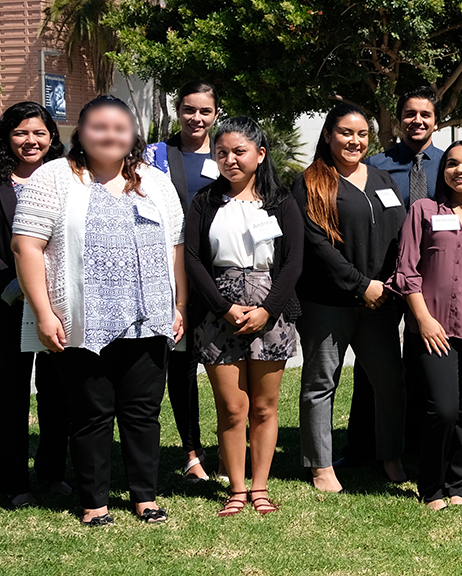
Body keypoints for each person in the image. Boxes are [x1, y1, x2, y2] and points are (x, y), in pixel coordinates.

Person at [13, 95, 183, 526]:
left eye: (120, 127)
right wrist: (45, 313)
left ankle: (145, 496)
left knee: (143, 413)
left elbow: (176, 247)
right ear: (81, 134)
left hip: (148, 319)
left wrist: (178, 304)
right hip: (83, 321)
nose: (110, 135)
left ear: (133, 135)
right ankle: (95, 502)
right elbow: (26, 247)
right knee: (91, 415)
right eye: (99, 127)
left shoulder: (155, 180)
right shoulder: (53, 178)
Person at [184, 117, 304, 517]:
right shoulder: (204, 201)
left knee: (265, 408)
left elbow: (293, 263)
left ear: (260, 154)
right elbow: (194, 259)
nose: (230, 160)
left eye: (239, 151)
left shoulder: (282, 202)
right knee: (233, 409)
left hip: (272, 309)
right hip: (221, 311)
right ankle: (236, 488)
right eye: (222, 153)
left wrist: (268, 309)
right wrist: (224, 306)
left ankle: (260, 487)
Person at [294, 104, 408, 493]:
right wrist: (361, 285)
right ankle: (320, 465)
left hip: (381, 303)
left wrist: (390, 284)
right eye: (345, 132)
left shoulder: (382, 179)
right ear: (328, 135)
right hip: (328, 304)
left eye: (361, 134)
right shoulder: (310, 182)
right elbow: (317, 246)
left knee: (390, 383)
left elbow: (401, 235)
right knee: (321, 383)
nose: (353, 141)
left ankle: (390, 454)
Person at [0, 101, 70, 508]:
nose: (32, 141)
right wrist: (21, 288)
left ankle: (52, 473)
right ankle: (13, 483)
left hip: (58, 305)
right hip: (8, 306)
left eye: (40, 133)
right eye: (22, 133)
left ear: (51, 137)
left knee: (57, 391)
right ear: (7, 137)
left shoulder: (67, 179)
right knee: (11, 393)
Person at [391, 140, 462, 510]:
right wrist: (423, 321)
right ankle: (430, 487)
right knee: (442, 410)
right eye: (452, 163)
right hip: (432, 332)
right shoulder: (423, 210)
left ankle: (459, 485)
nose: (459, 170)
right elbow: (406, 272)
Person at [346, 86, 444, 472]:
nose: (417, 120)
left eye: (425, 114)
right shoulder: (375, 165)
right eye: (410, 113)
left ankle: (417, 443)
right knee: (374, 369)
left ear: (437, 121)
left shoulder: (448, 163)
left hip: (430, 282)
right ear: (399, 118)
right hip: (384, 279)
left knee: (425, 364)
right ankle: (362, 448)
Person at [145, 80, 220, 484]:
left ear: (216, 114)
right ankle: (191, 452)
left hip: (220, 275)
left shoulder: (228, 151)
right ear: (179, 111)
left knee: (229, 365)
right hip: (171, 275)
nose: (197, 118)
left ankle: (229, 449)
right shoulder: (156, 154)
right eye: (189, 109)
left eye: (204, 111)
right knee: (180, 366)